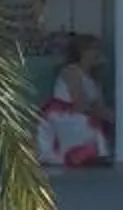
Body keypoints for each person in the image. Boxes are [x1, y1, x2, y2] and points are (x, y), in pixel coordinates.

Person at [37, 37, 113, 167]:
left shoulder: (94, 79)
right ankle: (77, 154)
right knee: (87, 124)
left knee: (95, 123)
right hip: (63, 113)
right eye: (93, 49)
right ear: (82, 52)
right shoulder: (71, 71)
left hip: (83, 112)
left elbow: (100, 105)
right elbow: (78, 102)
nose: (98, 53)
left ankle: (91, 154)